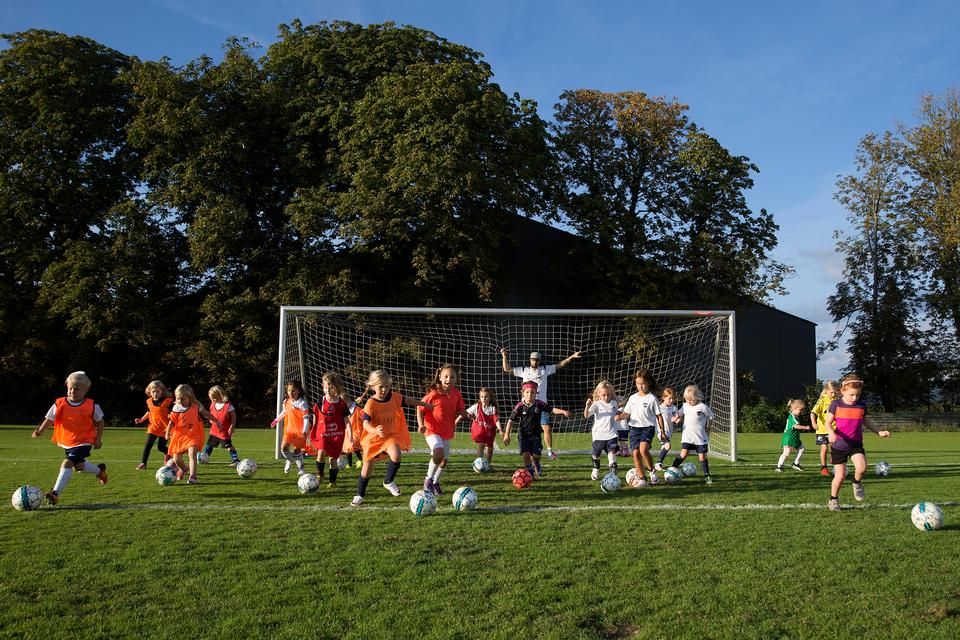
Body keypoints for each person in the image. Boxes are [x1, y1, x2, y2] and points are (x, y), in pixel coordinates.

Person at [351, 370, 433, 506]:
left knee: (396, 455)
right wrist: (375, 430)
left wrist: (424, 404)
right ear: (372, 387)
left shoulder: (394, 397)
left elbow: (408, 400)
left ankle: (388, 481)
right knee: (366, 470)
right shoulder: (371, 404)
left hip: (390, 436)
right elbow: (365, 423)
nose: (384, 390)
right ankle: (360, 495)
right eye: (380, 387)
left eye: (387, 386)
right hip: (373, 439)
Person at [32, 371, 108, 505]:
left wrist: (98, 438)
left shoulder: (92, 406)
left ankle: (55, 494)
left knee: (67, 463)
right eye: (70, 388)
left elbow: (100, 421)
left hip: (84, 441)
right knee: (78, 466)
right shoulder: (59, 403)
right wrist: (39, 432)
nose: (73, 391)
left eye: (77, 389)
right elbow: (49, 419)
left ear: (86, 390)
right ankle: (99, 471)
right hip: (67, 442)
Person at [824, 374, 891, 512]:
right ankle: (833, 499)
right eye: (852, 395)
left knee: (861, 468)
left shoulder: (861, 405)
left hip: (855, 444)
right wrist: (831, 433)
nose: (855, 398)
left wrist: (879, 432)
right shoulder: (836, 404)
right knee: (840, 476)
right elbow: (827, 422)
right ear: (842, 391)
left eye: (858, 395)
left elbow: (865, 421)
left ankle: (856, 482)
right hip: (839, 446)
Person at [501, 347, 581, 460]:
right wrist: (504, 356)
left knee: (547, 427)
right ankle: (527, 450)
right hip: (527, 406)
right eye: (533, 359)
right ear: (530, 360)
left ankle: (549, 452)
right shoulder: (524, 370)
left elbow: (560, 365)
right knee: (527, 430)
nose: (534, 361)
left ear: (539, 361)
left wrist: (572, 357)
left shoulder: (545, 369)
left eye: (536, 360)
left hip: (542, 405)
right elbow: (507, 369)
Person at [417, 364, 470, 496]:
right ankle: (428, 479)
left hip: (447, 431)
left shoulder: (456, 394)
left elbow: (459, 409)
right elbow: (419, 407)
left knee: (444, 460)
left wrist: (466, 414)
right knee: (439, 453)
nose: (448, 379)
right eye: (446, 376)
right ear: (440, 377)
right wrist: (420, 425)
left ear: (456, 379)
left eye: (452, 377)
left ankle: (435, 482)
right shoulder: (433, 394)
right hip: (432, 429)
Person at [502, 381, 571, 480]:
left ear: (536, 394)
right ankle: (530, 474)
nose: (529, 395)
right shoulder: (519, 406)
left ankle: (536, 463)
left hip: (535, 434)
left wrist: (563, 412)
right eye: (527, 392)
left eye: (532, 392)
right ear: (523, 393)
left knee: (536, 456)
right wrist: (506, 434)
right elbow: (510, 421)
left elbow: (551, 409)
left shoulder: (539, 404)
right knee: (525, 455)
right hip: (523, 434)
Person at [163, 384, 220, 484]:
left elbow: (206, 413)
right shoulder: (176, 408)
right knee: (176, 457)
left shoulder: (195, 406)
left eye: (183, 399)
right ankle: (184, 469)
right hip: (180, 435)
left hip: (194, 433)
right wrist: (167, 432)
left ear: (190, 398)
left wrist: (216, 421)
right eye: (178, 399)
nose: (180, 401)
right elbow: (171, 422)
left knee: (192, 453)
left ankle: (193, 476)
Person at [616, 370, 664, 486]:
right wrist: (619, 417)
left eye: (642, 383)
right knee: (636, 453)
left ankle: (652, 472)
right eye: (637, 384)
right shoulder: (632, 398)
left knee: (643, 450)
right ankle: (642, 478)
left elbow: (659, 416)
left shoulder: (652, 398)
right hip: (634, 429)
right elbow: (626, 413)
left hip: (648, 429)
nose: (640, 386)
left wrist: (662, 431)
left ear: (648, 383)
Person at [310, 372, 354, 489]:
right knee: (320, 453)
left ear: (337, 388)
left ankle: (332, 482)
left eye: (331, 387)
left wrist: (351, 436)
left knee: (333, 461)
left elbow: (346, 421)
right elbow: (315, 419)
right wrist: (312, 434)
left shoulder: (341, 404)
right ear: (323, 387)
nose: (328, 390)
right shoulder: (320, 403)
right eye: (325, 387)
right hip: (323, 435)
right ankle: (320, 474)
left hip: (336, 436)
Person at [669, 385, 715, 485]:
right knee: (683, 454)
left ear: (697, 397)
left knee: (702, 457)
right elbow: (679, 414)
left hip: (700, 437)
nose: (689, 401)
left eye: (692, 400)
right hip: (687, 436)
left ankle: (707, 475)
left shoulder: (703, 407)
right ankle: (672, 469)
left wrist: (709, 427)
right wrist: (675, 418)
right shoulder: (685, 406)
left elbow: (711, 416)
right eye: (687, 399)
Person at [270, 380, 312, 476]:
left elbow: (306, 418)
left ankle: (300, 468)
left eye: (293, 391)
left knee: (297, 451)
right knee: (283, 448)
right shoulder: (286, 402)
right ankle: (289, 459)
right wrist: (276, 420)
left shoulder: (302, 404)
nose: (291, 393)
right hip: (289, 430)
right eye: (289, 390)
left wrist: (304, 431)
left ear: (299, 391)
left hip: (300, 431)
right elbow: (284, 412)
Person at [583, 381, 620, 480]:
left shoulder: (614, 403)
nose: (606, 397)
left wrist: (619, 415)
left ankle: (613, 474)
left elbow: (617, 413)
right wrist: (587, 406)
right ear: (598, 394)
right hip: (598, 435)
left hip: (611, 434)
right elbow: (586, 415)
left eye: (608, 394)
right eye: (603, 395)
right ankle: (596, 468)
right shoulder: (596, 404)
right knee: (596, 454)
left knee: (612, 453)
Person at [457, 387, 502, 467]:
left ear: (490, 398)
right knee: (481, 445)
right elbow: (464, 413)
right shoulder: (476, 407)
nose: (484, 399)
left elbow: (496, 420)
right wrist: (456, 421)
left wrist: (500, 430)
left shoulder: (492, 409)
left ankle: (487, 465)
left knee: (489, 449)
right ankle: (479, 464)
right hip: (479, 431)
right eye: (482, 397)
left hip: (489, 432)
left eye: (486, 396)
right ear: (479, 397)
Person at [134, 380, 172, 469]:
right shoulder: (149, 401)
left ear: (162, 391)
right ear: (149, 392)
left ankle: (169, 453)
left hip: (165, 429)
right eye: (153, 391)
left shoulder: (167, 402)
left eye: (157, 391)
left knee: (161, 447)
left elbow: (173, 414)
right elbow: (149, 412)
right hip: (153, 427)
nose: (155, 393)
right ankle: (143, 463)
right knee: (148, 445)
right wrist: (141, 420)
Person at [202, 385, 240, 466]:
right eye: (211, 399)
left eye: (214, 398)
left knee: (228, 446)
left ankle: (236, 460)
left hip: (224, 432)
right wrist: (210, 420)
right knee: (209, 445)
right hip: (214, 430)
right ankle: (205, 457)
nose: (213, 400)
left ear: (221, 395)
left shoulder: (228, 406)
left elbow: (234, 416)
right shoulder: (213, 404)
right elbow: (211, 414)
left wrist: (232, 426)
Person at [810, 380, 840, 476]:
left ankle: (835, 464)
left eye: (835, 392)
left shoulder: (837, 400)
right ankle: (824, 467)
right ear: (826, 391)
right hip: (822, 429)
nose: (833, 394)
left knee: (834, 448)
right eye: (831, 392)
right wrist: (814, 423)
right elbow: (813, 413)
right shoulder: (822, 400)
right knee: (824, 448)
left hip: (833, 429)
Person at [775, 398, 814, 472]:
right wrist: (805, 427)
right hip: (789, 438)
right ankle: (779, 466)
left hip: (794, 437)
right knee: (786, 452)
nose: (801, 412)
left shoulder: (795, 416)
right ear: (794, 408)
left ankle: (795, 463)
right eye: (800, 410)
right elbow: (795, 426)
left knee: (802, 449)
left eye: (802, 410)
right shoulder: (792, 417)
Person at [654, 387, 680, 471]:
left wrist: (677, 419)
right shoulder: (659, 408)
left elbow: (675, 420)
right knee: (668, 446)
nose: (671, 400)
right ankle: (658, 463)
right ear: (663, 398)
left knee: (664, 447)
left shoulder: (674, 408)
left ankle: (660, 463)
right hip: (661, 431)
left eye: (673, 398)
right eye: (669, 398)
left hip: (669, 431)